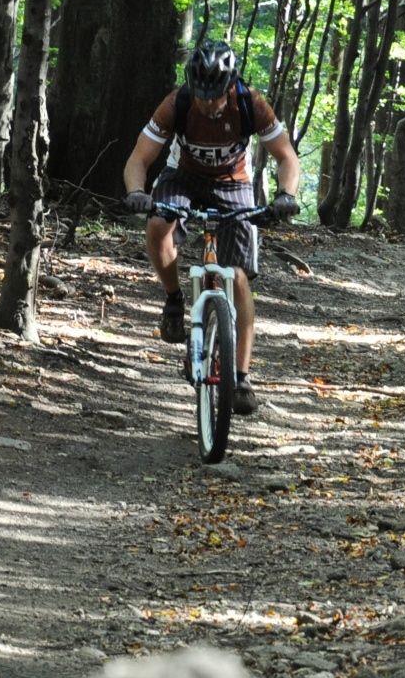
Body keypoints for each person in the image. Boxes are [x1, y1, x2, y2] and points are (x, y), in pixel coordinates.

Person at [122, 39, 301, 416]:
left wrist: (286, 195)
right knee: (158, 223)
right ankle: (174, 300)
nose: (207, 103)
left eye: (215, 95)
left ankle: (242, 377)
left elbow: (287, 156)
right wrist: (137, 192)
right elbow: (139, 157)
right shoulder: (177, 103)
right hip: (182, 176)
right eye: (201, 95)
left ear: (230, 85)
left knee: (237, 277)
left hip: (234, 183)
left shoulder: (251, 104)